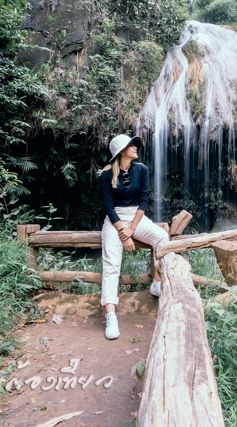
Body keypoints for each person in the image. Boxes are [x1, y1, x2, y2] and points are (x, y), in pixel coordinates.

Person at [99, 133, 168, 340]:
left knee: (163, 238)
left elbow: (144, 201)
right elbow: (109, 206)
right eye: (132, 145)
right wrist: (124, 233)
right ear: (121, 152)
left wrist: (133, 229)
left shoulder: (142, 170)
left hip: (137, 218)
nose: (136, 147)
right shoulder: (106, 175)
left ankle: (156, 283)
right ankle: (110, 316)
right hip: (114, 221)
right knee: (111, 265)